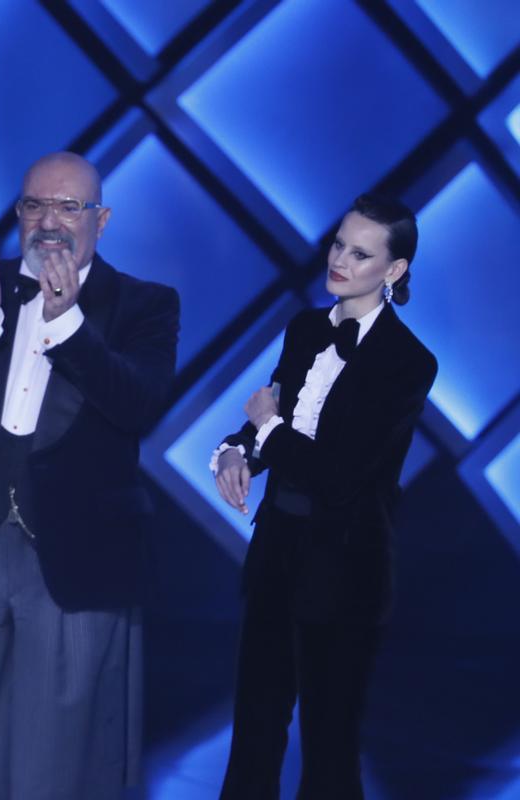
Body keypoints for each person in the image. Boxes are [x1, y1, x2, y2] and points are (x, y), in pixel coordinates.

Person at [0, 151, 180, 799]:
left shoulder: (144, 304)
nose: (49, 220)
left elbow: (139, 406)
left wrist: (68, 324)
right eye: (34, 205)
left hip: (75, 550)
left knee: (59, 757)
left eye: (68, 206)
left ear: (100, 220)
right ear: (19, 213)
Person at [211, 194, 437, 798]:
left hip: (344, 571)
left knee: (330, 745)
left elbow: (338, 475)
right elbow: (278, 418)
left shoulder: (409, 362)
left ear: (393, 271)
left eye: (360, 253)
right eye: (339, 243)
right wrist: (236, 451)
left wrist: (266, 430)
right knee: (254, 731)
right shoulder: (306, 327)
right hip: (275, 555)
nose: (339, 259)